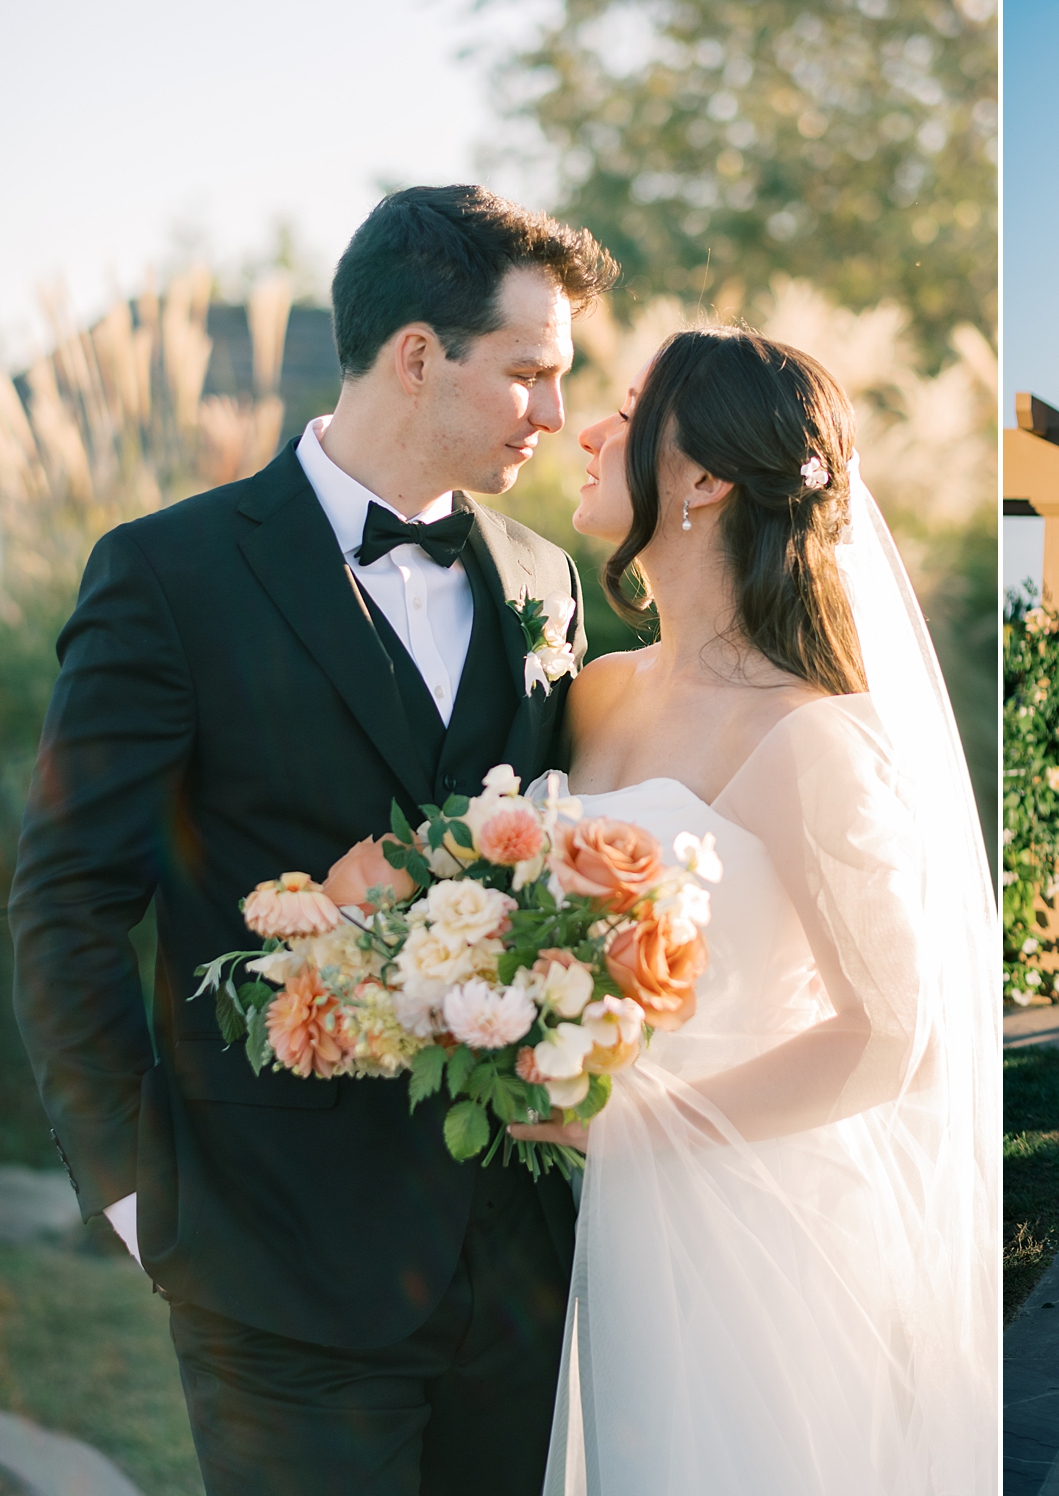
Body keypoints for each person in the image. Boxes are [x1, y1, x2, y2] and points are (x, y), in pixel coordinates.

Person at [10, 185, 610, 1492]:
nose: (554, 415)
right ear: (416, 357)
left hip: (516, 1273)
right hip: (267, 1260)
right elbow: (62, 905)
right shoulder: (168, 576)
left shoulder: (547, 582)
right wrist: (135, 1195)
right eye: (528, 373)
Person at [505, 326, 998, 1493]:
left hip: (753, 1235)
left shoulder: (810, 733)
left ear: (705, 478)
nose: (586, 428)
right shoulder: (594, 690)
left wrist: (634, 1126)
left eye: (624, 411)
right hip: (593, 1225)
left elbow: (892, 1037)